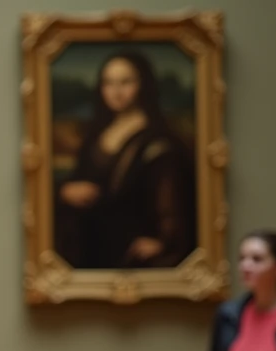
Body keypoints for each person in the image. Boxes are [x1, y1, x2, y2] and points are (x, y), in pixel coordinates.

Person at [55, 51, 196, 270]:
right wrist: (66, 191)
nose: (116, 92)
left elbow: (172, 201)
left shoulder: (157, 140)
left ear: (143, 85)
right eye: (109, 83)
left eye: (125, 82)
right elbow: (80, 178)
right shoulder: (98, 133)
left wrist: (163, 240)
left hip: (131, 247)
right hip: (94, 244)